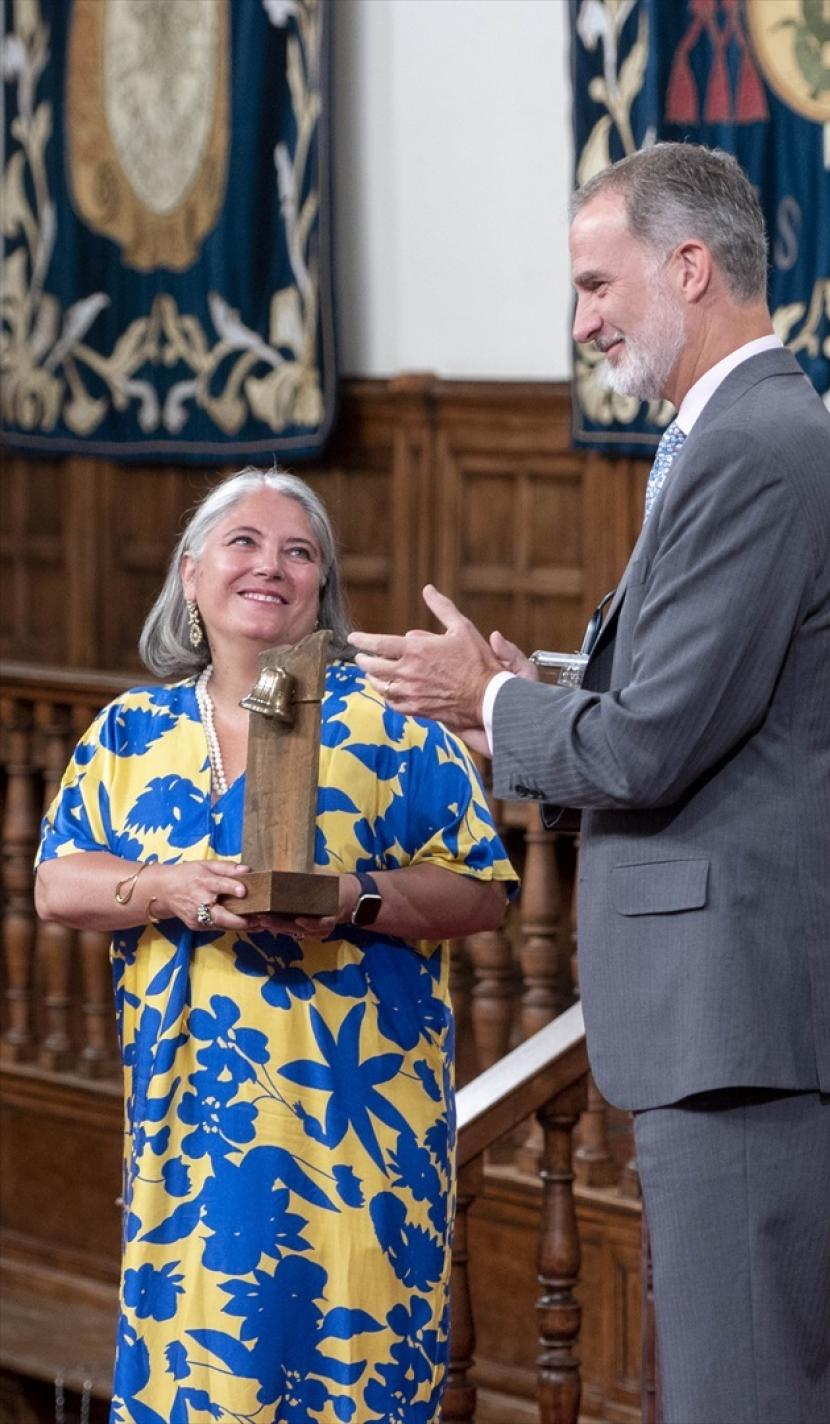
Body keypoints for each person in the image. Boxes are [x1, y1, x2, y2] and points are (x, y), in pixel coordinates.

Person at [349, 143, 830, 1424]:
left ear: (690, 266)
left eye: (599, 285)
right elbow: (686, 710)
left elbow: (651, 744)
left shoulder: (753, 448)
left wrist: (481, 700)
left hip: (748, 1009)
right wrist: (524, 693)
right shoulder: (733, 439)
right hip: (730, 1012)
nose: (584, 320)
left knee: (743, 1395)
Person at [35, 467, 517, 1423]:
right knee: (204, 1381)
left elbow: (483, 892)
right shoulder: (128, 734)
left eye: (301, 551)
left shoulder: (395, 728)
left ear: (321, 589)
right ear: (190, 575)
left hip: (358, 1138)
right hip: (194, 1137)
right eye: (244, 542)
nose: (272, 565)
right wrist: (163, 887)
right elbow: (57, 882)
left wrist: (352, 899)